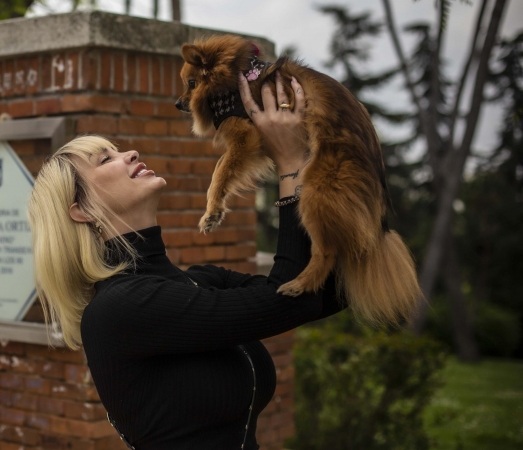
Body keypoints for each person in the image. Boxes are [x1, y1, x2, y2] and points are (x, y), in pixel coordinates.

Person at [27, 73, 345, 449]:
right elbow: (291, 299)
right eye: (105, 159)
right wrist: (290, 162)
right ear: (81, 211)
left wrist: (351, 160)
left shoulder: (196, 282)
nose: (129, 153)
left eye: (118, 149)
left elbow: (327, 293)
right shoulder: (120, 307)